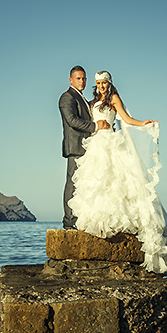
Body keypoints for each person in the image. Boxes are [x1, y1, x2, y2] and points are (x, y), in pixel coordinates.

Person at [67, 70, 167, 273]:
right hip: (96, 144)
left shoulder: (114, 98)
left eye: (104, 83)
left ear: (109, 83)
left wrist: (143, 123)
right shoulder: (92, 102)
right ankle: (99, 222)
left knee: (117, 180)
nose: (101, 86)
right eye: (98, 83)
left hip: (110, 141)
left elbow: (126, 119)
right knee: (97, 182)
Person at [58, 65, 111, 229]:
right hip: (75, 146)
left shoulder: (80, 97)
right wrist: (96, 126)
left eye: (84, 78)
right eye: (78, 78)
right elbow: (72, 120)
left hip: (86, 146)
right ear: (70, 80)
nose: (82, 81)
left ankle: (80, 218)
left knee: (83, 184)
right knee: (72, 184)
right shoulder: (67, 97)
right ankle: (69, 221)